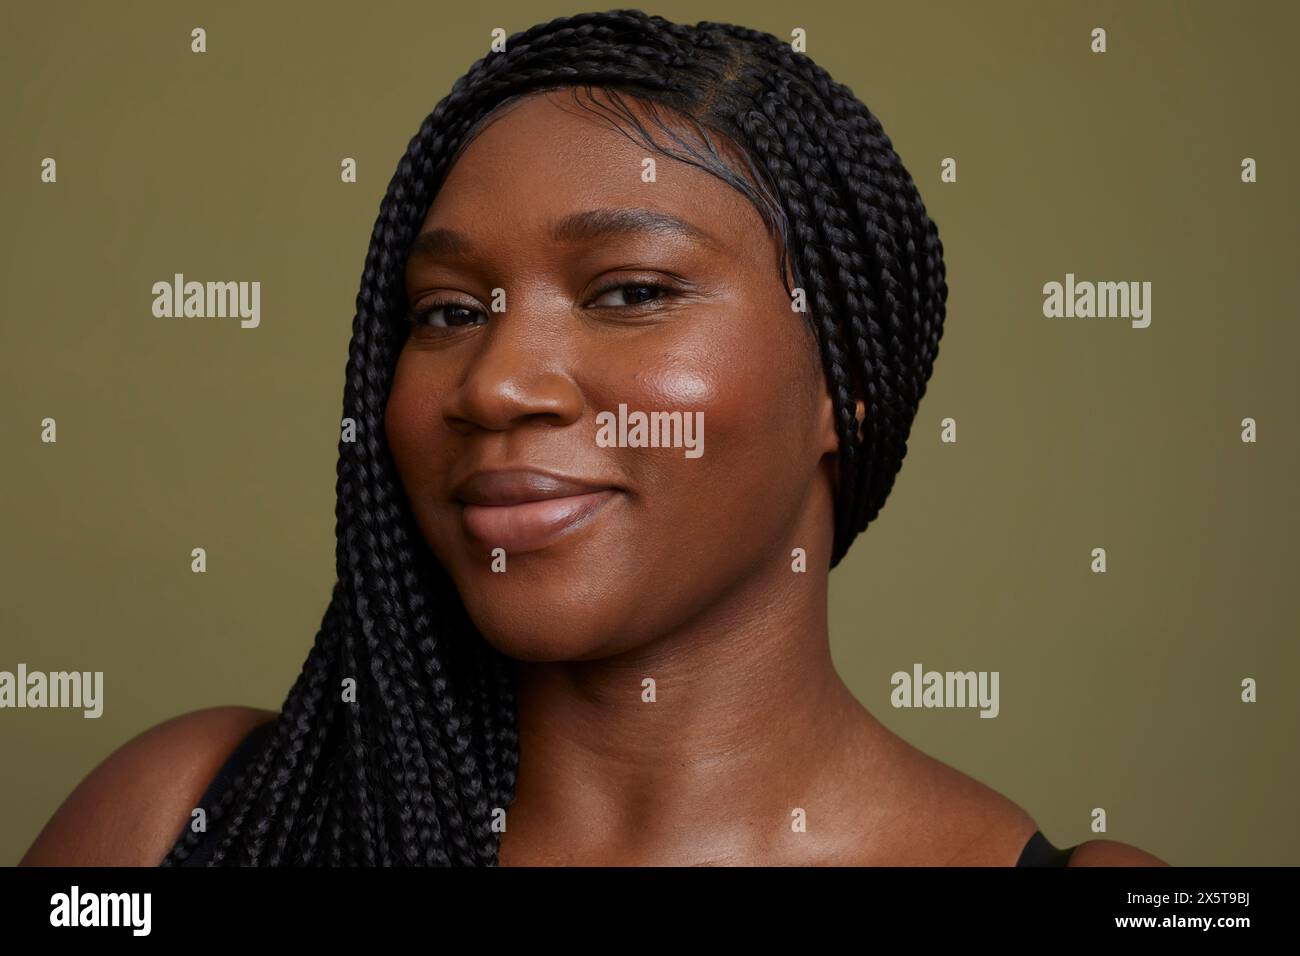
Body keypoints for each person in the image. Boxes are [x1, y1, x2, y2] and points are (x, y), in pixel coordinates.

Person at [21, 9, 1164, 867]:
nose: (498, 381)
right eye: (449, 312)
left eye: (628, 292)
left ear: (845, 386)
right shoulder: (183, 819)